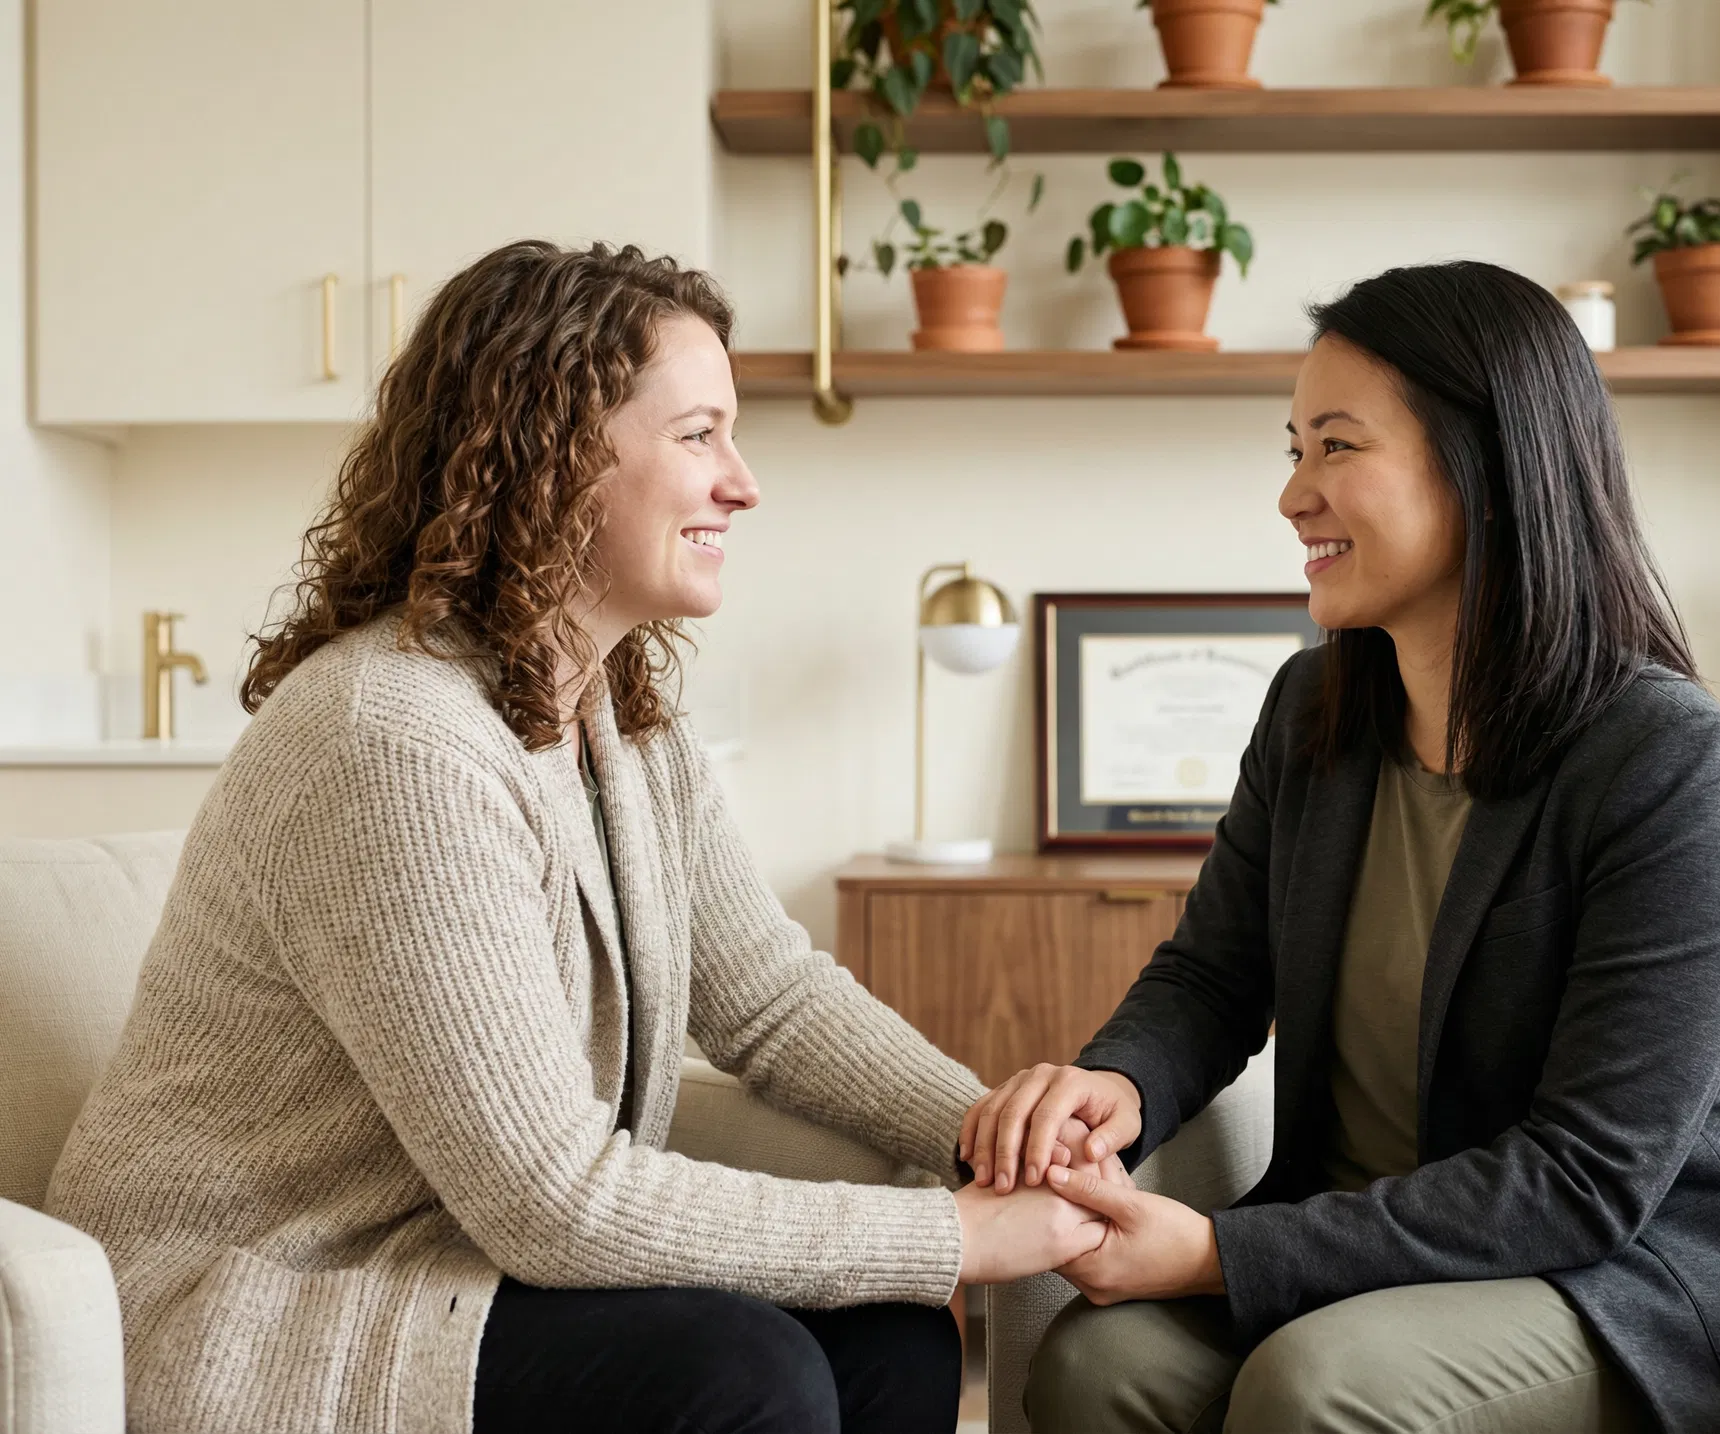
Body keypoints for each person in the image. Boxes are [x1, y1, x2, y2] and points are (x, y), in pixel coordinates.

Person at [44, 240, 1112, 1434]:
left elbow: (767, 997)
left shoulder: (618, 713)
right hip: (274, 1299)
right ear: (549, 456)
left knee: (888, 1338)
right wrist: (952, 1232)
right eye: (700, 435)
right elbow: (552, 1198)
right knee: (746, 1376)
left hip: (454, 1259)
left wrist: (987, 1134)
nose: (744, 483)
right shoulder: (390, 738)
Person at [962, 261, 1720, 1434]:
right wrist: (1114, 1085)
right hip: (1364, 1237)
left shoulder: (1670, 766)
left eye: (1338, 447)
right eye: (1293, 448)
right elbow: (1215, 976)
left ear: (1486, 466)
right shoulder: (1311, 711)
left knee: (1316, 1386)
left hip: (1621, 1277)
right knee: (1097, 1369)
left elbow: (1586, 1177)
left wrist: (1216, 1254)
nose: (1294, 496)